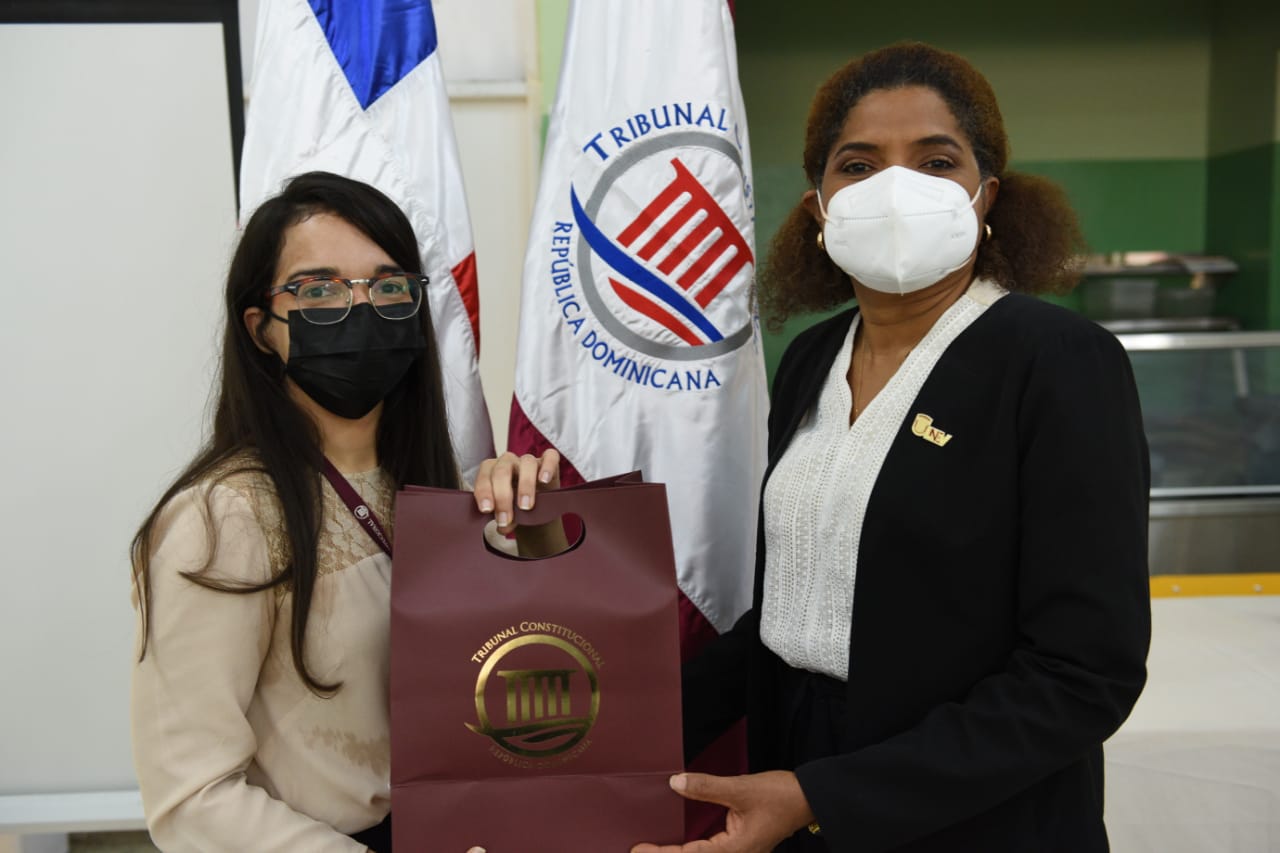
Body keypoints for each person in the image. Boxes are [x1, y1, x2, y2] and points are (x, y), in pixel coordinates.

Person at [630, 42, 1152, 852]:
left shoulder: (1058, 361)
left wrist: (825, 796)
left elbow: (1084, 673)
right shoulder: (811, 357)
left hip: (978, 814)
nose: (896, 187)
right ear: (818, 206)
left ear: (986, 194)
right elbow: (794, 611)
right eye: (859, 165)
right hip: (794, 782)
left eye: (937, 161)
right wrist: (604, 731)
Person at [128, 172, 540, 852]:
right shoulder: (222, 519)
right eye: (318, 290)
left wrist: (521, 519)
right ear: (261, 329)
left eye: (387, 286)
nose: (360, 309)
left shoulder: (436, 491)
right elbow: (193, 800)